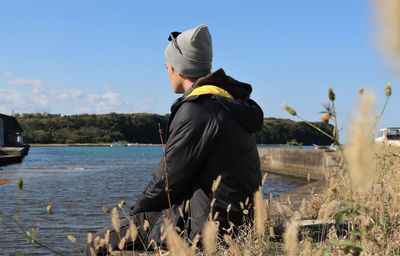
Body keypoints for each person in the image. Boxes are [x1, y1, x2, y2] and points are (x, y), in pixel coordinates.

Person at [89, 24, 263, 255]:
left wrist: (136, 212)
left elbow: (167, 180)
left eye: (166, 66)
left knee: (97, 243)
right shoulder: (228, 103)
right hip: (235, 219)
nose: (166, 71)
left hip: (206, 226)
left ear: (178, 68)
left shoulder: (199, 109)